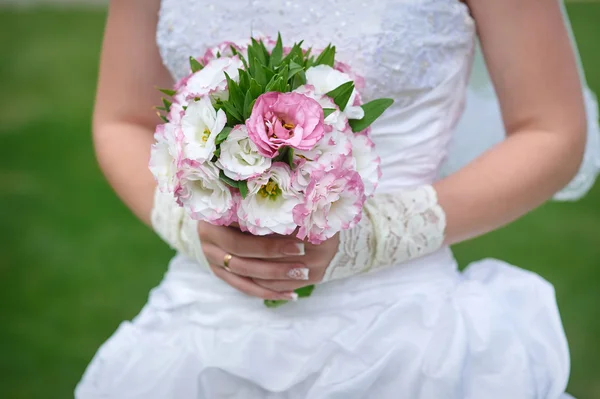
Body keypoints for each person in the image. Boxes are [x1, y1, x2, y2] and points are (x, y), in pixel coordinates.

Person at [75, 0, 600, 398]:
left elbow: (551, 130)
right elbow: (122, 117)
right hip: (199, 321)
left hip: (403, 332)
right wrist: (191, 228)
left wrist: (373, 237)